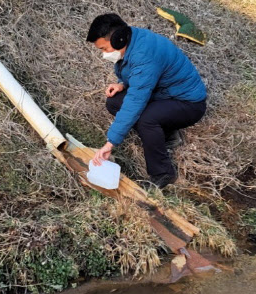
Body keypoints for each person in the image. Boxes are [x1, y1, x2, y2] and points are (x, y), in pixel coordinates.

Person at [87, 13, 207, 188]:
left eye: (104, 49)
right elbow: (138, 76)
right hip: (165, 94)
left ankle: (163, 173)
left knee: (146, 119)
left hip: (188, 103)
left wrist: (110, 143)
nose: (104, 55)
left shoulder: (144, 55)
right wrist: (123, 84)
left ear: (118, 39)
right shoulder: (132, 38)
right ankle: (167, 133)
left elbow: (136, 99)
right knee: (114, 102)